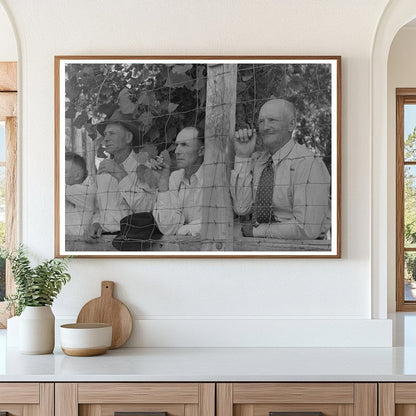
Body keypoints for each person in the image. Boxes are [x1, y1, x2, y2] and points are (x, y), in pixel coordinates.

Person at [230, 98, 331, 240]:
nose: (265, 127)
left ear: (291, 125)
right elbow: (241, 208)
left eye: (272, 120)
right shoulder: (258, 162)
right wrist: (242, 156)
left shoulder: (308, 163)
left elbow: (307, 229)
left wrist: (254, 232)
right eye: (261, 121)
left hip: (302, 251)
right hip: (258, 249)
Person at [86, 109, 156, 241]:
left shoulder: (144, 167)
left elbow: (147, 209)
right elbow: (98, 210)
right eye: (105, 134)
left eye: (112, 133)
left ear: (128, 138)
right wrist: (96, 223)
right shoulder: (102, 170)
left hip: (133, 242)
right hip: (103, 241)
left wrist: (121, 175)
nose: (106, 139)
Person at [152, 126, 204, 236]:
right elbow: (168, 228)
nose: (177, 151)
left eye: (184, 145)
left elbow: (216, 222)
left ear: (201, 151)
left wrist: (182, 230)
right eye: (177, 145)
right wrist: (163, 182)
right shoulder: (175, 177)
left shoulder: (214, 177)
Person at [65, 152, 96, 237]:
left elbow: (56, 186)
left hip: (81, 243)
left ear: (77, 175)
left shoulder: (86, 191)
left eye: (63, 172)